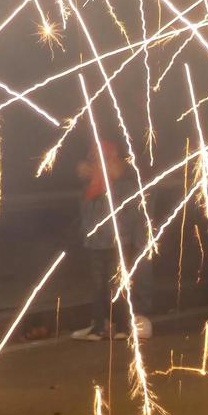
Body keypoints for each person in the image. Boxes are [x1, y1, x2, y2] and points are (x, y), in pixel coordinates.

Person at [71, 137, 151, 342]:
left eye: (101, 159)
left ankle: (121, 326)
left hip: (117, 244)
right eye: (94, 160)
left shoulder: (122, 185)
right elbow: (88, 216)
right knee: (100, 288)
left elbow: (134, 215)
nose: (95, 164)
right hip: (98, 244)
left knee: (118, 286)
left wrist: (136, 243)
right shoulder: (92, 186)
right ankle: (101, 326)